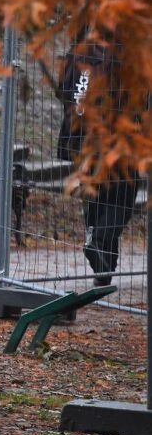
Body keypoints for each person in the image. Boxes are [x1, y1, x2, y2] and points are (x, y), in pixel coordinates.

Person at [56, 31, 143, 287]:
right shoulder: (127, 52)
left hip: (81, 137)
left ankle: (103, 267)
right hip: (119, 137)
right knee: (123, 193)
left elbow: (65, 90)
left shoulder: (81, 49)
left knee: (97, 193)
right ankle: (100, 243)